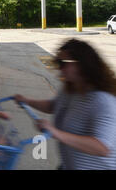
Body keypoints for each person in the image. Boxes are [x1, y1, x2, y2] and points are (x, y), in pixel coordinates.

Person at [15, 38, 116, 169]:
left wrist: (55, 132)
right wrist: (26, 101)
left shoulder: (102, 100)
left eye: (63, 63)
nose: (59, 68)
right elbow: (53, 105)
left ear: (82, 65)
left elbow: (102, 147)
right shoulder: (71, 88)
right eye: (57, 63)